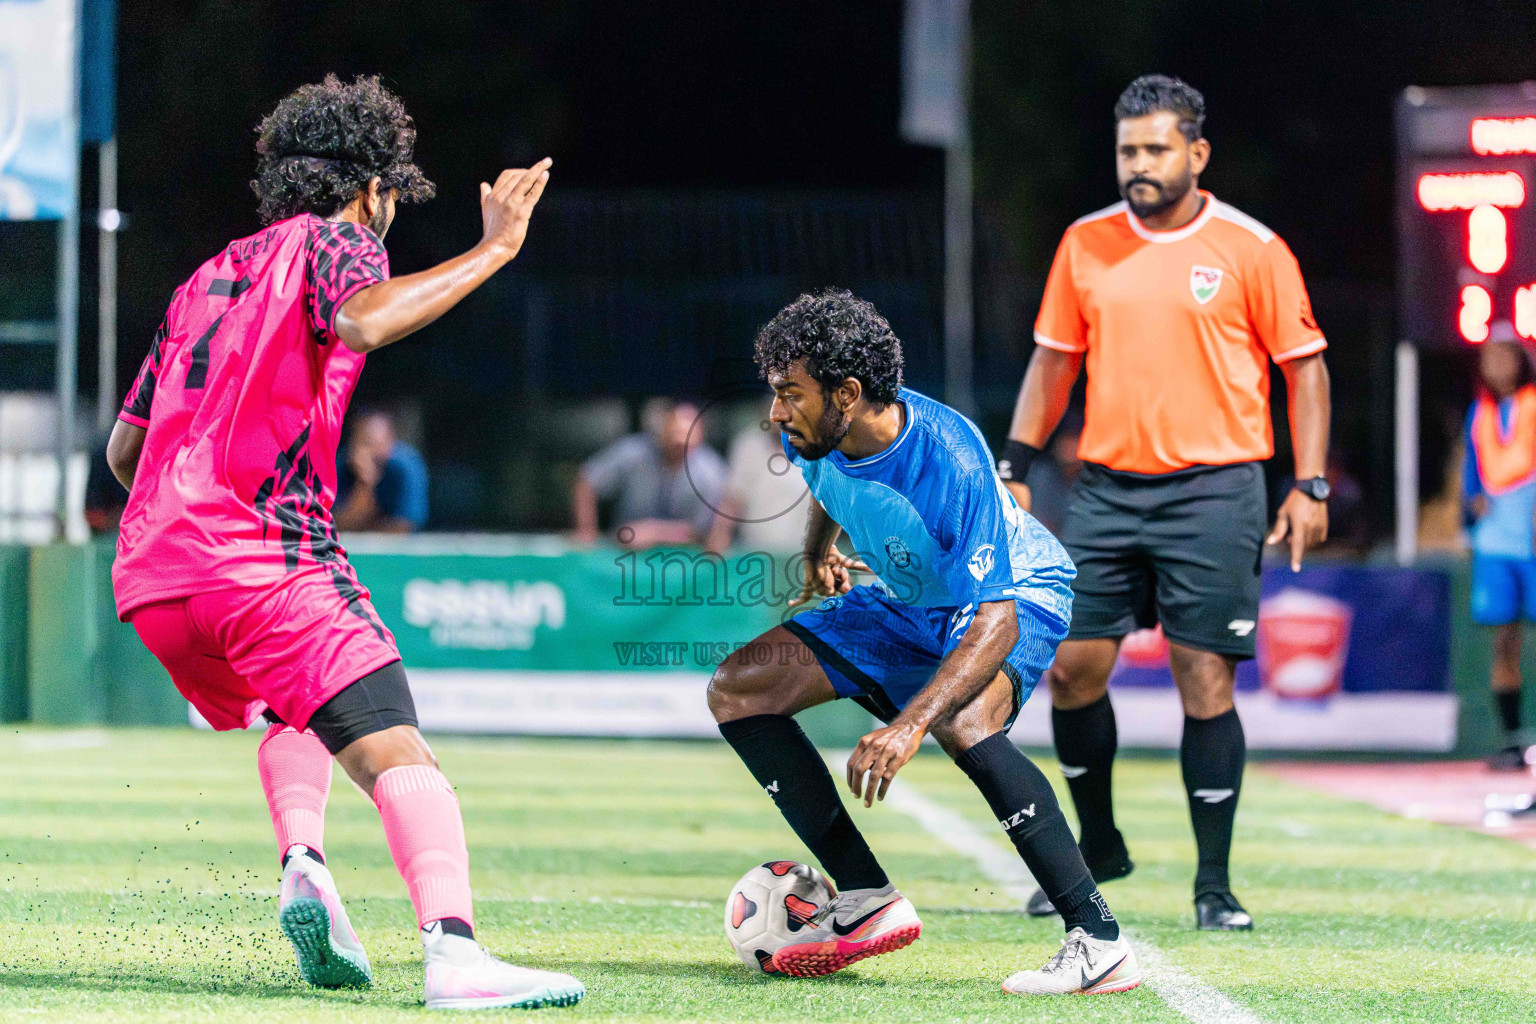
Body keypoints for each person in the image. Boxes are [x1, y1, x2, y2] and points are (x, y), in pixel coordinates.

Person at [104, 75, 582, 1010]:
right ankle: (454, 954)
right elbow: (363, 319)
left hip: (156, 580)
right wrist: (494, 248)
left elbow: (127, 452)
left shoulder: (204, 280)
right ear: (371, 188)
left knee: (300, 709)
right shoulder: (337, 239)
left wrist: (191, 520)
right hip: (263, 562)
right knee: (398, 748)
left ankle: (305, 866)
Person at [708, 289, 1142, 996]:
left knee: (964, 723)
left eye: (790, 394)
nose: (776, 413)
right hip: (909, 599)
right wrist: (819, 551)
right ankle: (866, 896)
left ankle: (1099, 941)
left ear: (848, 394)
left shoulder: (949, 458)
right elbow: (828, 484)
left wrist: (908, 726)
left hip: (1016, 594)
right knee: (738, 689)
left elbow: (996, 619)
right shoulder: (811, 433)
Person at [1000, 75, 1332, 931]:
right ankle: (1098, 845)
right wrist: (1016, 462)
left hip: (1216, 491)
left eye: (1155, 149)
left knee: (1203, 677)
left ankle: (1213, 885)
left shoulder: (1252, 247)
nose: (1138, 164)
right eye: (1127, 150)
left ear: (1197, 153)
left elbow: (1305, 369)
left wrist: (1310, 483)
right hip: (1108, 490)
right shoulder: (1085, 243)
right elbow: (1053, 361)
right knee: (1072, 668)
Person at [1462, 337, 1536, 771]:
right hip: (1496, 544)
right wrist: (1469, 513)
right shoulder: (1481, 412)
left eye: (1505, 357)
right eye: (1490, 358)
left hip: (1531, 540)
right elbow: (1470, 474)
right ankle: (1512, 740)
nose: (1497, 366)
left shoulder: (1532, 405)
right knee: (1504, 643)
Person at [571, 397, 726, 548]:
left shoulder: (712, 472)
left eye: (687, 438)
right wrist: (586, 531)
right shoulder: (632, 452)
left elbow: (705, 532)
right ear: (663, 430)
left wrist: (654, 533)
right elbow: (587, 481)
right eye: (675, 434)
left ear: (700, 438)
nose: (680, 444)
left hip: (684, 555)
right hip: (620, 550)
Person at [704, 411, 809, 554]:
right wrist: (719, 533)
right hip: (754, 553)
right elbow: (734, 498)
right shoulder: (750, 445)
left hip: (802, 555)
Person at [335, 409, 430, 533]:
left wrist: (365, 530)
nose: (366, 452)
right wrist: (365, 483)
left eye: (372, 443)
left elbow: (405, 527)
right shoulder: (342, 465)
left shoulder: (406, 467)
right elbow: (338, 525)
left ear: (390, 442)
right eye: (360, 443)